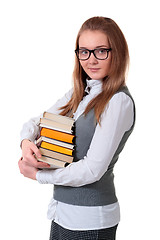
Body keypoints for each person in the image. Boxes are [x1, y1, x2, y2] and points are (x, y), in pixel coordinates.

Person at [18, 16, 135, 240]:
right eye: (84, 51)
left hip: (90, 220)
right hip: (62, 212)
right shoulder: (80, 92)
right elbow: (38, 122)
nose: (91, 60)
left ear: (116, 53)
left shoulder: (118, 102)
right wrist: (25, 142)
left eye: (101, 51)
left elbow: (92, 170)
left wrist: (40, 176)